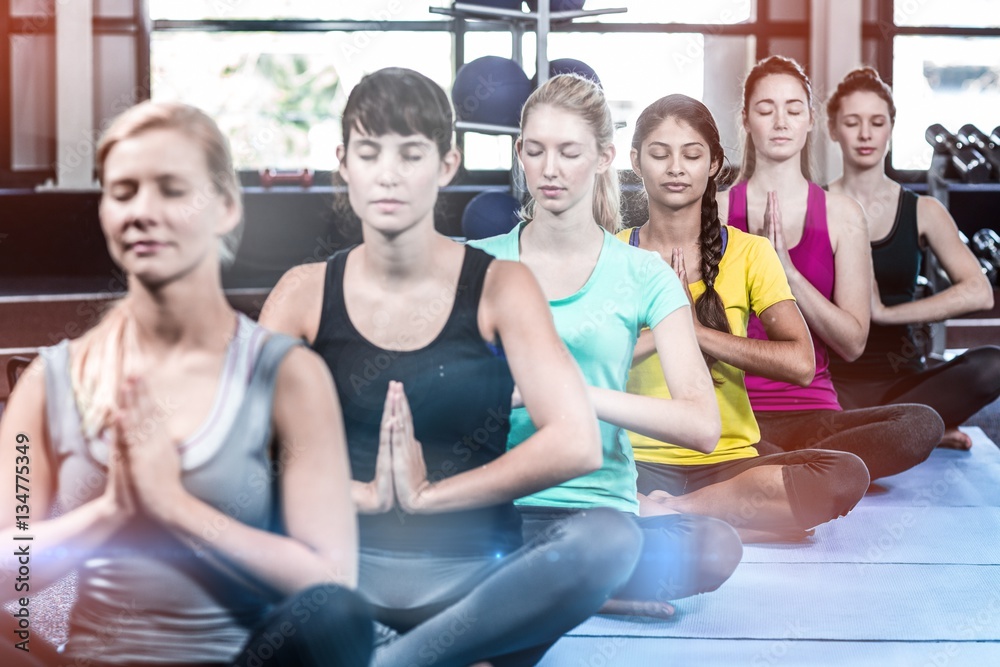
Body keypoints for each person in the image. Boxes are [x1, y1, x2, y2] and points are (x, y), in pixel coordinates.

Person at [259, 67, 642, 666]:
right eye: (369, 152)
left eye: (411, 154)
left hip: (476, 592)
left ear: (446, 164)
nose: (388, 174)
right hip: (339, 584)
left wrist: (429, 496)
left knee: (610, 540)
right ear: (344, 163)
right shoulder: (302, 293)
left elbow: (576, 443)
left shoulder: (501, 287)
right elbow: (238, 447)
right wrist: (359, 495)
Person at [0, 101, 372, 666]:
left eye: (172, 190)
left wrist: (174, 506)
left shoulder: (288, 376)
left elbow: (330, 582)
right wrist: (113, 515)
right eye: (122, 192)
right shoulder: (50, 382)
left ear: (223, 206)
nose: (142, 212)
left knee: (335, 619)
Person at [469, 74, 742, 617]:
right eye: (536, 150)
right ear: (519, 152)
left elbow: (702, 426)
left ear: (603, 157)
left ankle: (556, 584)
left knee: (715, 546)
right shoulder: (475, 263)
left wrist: (572, 393)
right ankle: (588, 590)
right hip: (496, 509)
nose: (549, 169)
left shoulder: (646, 275)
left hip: (601, 515)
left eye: (569, 152)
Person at [619, 93, 870, 542]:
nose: (676, 167)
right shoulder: (611, 256)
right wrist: (666, 329)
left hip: (728, 465)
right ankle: (727, 520)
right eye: (660, 154)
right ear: (636, 161)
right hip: (633, 462)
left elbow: (800, 364)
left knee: (843, 474)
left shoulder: (751, 253)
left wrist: (697, 333)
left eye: (692, 155)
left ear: (714, 164)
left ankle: (674, 512)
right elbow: (579, 372)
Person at [719, 55, 944, 481]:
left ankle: (775, 472)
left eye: (793, 109)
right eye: (766, 110)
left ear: (810, 120)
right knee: (709, 437)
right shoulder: (715, 211)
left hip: (815, 416)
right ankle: (809, 473)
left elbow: (853, 342)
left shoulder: (843, 215)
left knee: (920, 424)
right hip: (736, 414)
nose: (780, 121)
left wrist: (787, 275)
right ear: (747, 120)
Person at [826, 66, 1000, 450]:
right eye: (852, 122)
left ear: (891, 126)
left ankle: (906, 426)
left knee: (992, 364)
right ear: (833, 129)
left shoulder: (923, 210)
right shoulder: (812, 206)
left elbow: (979, 292)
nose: (866, 134)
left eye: (877, 122)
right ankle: (912, 432)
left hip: (904, 384)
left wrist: (885, 313)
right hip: (831, 388)